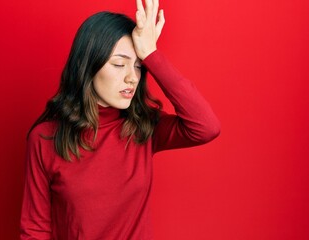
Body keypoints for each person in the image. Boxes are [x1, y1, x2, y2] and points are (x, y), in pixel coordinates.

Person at [20, 0, 220, 239]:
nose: (131, 78)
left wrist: (152, 55)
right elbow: (35, 229)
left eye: (138, 66)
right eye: (118, 64)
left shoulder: (142, 128)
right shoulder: (46, 139)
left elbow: (206, 126)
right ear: (88, 67)